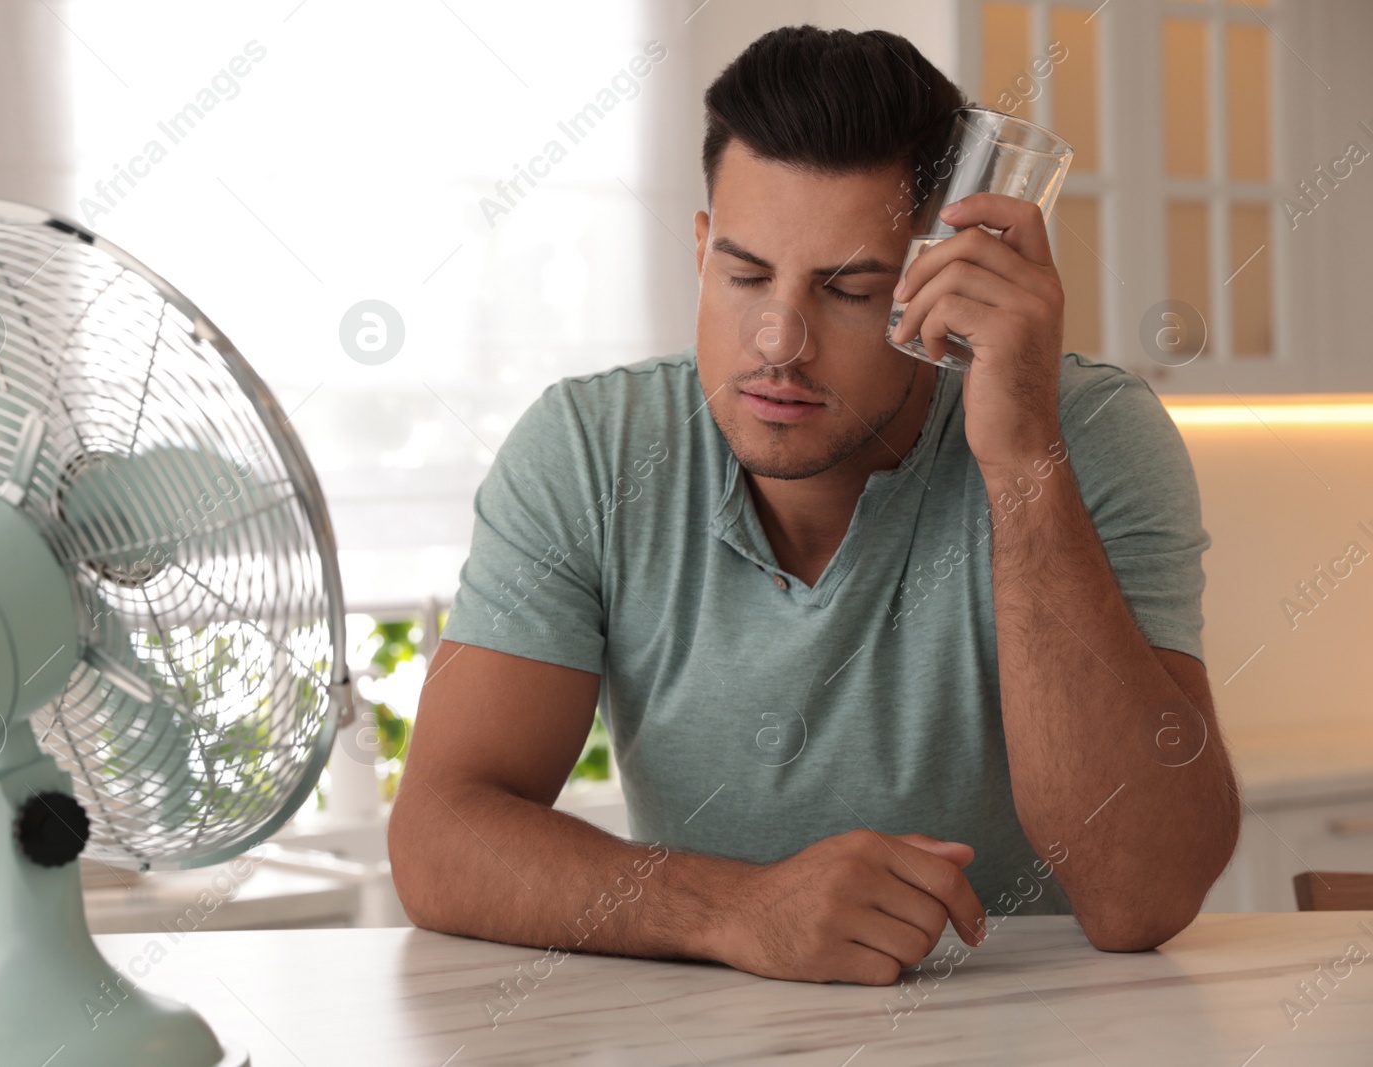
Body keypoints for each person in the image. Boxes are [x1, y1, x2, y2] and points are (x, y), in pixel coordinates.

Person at [387, 24, 1240, 986]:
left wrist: (1021, 460)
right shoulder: (589, 449)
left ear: (935, 279)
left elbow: (1144, 896)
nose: (778, 340)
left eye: (848, 290)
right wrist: (741, 910)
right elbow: (439, 835)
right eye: (745, 274)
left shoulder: (1089, 435)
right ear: (702, 250)